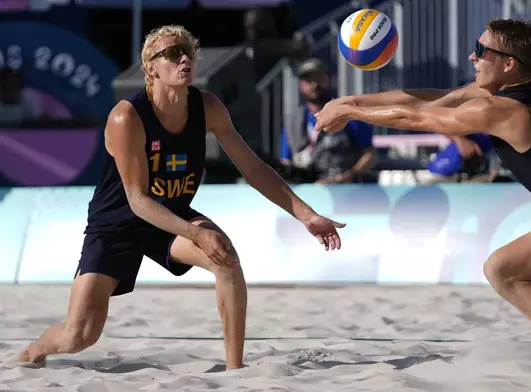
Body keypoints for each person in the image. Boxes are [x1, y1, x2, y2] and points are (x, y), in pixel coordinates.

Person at [314, 19, 531, 379]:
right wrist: (349, 100)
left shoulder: (508, 111)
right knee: (505, 269)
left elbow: (419, 118)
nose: (473, 55)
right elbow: (437, 97)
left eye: (482, 50)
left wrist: (350, 113)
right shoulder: (528, 85)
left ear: (508, 64)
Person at [18, 25, 345, 370]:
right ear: (151, 67)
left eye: (187, 51)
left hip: (168, 216)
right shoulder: (125, 116)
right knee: (79, 336)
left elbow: (254, 169)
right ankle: (33, 352)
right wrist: (195, 232)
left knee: (226, 257)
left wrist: (307, 216)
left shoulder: (208, 107)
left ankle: (236, 370)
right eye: (172, 54)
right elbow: (137, 200)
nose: (184, 58)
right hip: (117, 224)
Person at [279, 58, 376, 184]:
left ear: (328, 80)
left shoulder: (347, 113)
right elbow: (285, 159)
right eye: (309, 80)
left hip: (343, 191)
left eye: (319, 78)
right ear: (300, 85)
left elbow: (369, 154)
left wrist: (348, 176)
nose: (314, 84)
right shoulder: (292, 121)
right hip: (305, 191)